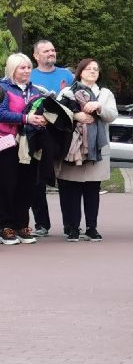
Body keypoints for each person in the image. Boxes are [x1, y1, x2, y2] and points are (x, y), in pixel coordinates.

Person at [55, 59, 117, 241]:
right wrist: (76, 115)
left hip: (96, 149)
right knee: (71, 190)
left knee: (92, 190)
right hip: (72, 149)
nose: (92, 71)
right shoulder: (67, 91)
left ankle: (92, 227)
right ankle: (73, 228)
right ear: (80, 72)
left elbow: (112, 115)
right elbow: (56, 114)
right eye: (88, 68)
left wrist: (99, 107)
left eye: (96, 69)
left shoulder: (104, 93)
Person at [0, 54, 49, 245]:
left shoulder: (36, 90)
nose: (27, 71)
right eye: (22, 68)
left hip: (30, 143)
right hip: (7, 143)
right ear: (12, 69)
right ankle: (5, 226)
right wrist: (26, 119)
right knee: (7, 185)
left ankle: (22, 225)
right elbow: (1, 113)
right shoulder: (3, 88)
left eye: (29, 67)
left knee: (27, 185)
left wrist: (44, 119)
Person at [27, 39, 72, 237]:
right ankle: (41, 224)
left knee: (66, 180)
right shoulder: (30, 74)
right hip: (38, 133)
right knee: (37, 181)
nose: (51, 53)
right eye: (46, 51)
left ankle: (71, 226)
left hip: (62, 134)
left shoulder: (67, 75)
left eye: (53, 50)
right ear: (36, 56)